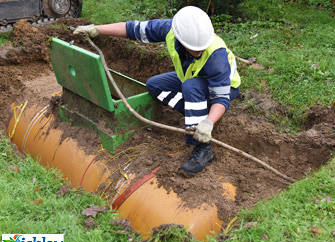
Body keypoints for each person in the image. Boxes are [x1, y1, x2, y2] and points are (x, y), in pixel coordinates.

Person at [74, 6, 241, 175]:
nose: (199, 51)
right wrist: (96, 29)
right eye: (194, 48)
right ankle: (197, 113)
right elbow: (133, 29)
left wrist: (208, 123)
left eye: (202, 48)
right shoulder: (171, 29)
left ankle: (203, 149)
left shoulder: (216, 57)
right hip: (191, 78)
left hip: (225, 88)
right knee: (154, 85)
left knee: (191, 87)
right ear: (180, 39)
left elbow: (221, 98)